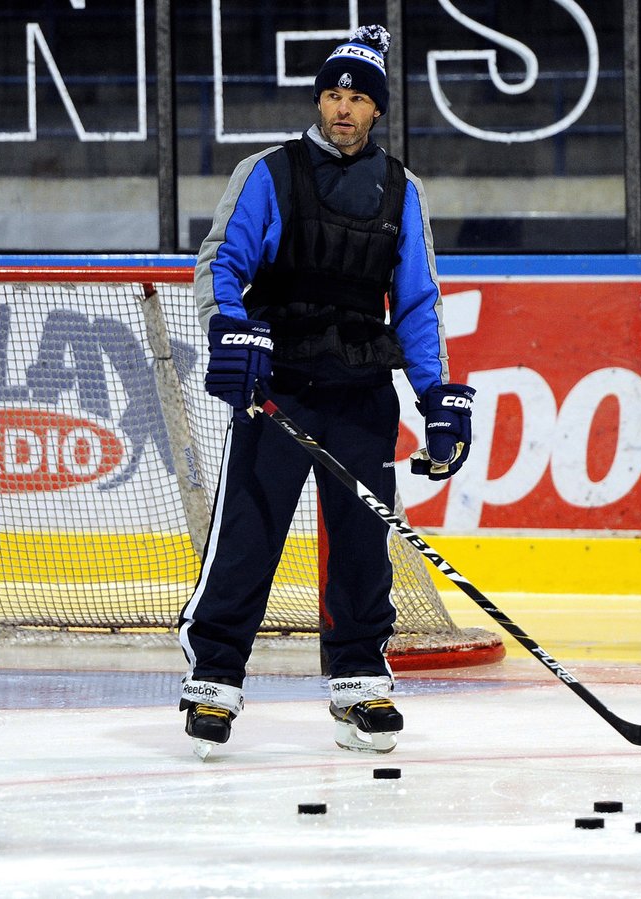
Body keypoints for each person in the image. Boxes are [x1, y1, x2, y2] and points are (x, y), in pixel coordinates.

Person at [178, 24, 475, 759]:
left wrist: (436, 396)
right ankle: (214, 676)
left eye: (357, 97)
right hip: (277, 388)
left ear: (376, 110)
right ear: (320, 100)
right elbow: (220, 266)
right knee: (248, 534)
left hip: (360, 391)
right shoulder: (269, 173)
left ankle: (358, 679)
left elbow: (416, 303)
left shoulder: (403, 190)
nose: (342, 108)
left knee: (361, 546)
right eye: (333, 94)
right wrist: (233, 334)